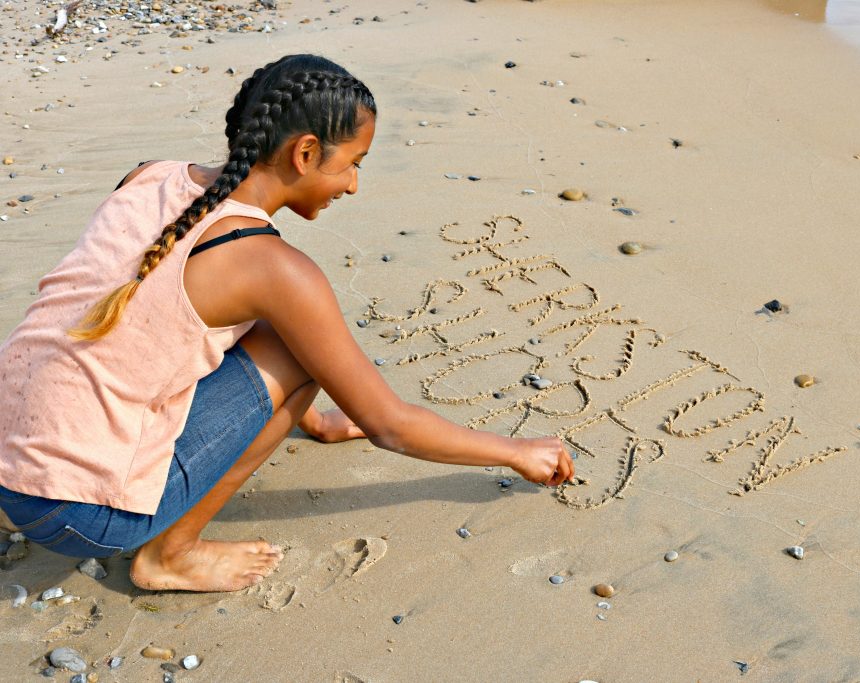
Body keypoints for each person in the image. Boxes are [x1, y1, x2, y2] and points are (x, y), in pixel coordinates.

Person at [0, 54, 573, 593]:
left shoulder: (151, 176)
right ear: (304, 154)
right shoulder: (273, 269)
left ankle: (298, 413)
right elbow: (389, 426)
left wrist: (313, 417)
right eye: (352, 164)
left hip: (11, 456)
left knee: (264, 334)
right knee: (303, 348)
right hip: (80, 514)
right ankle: (170, 553)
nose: (353, 184)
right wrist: (514, 451)